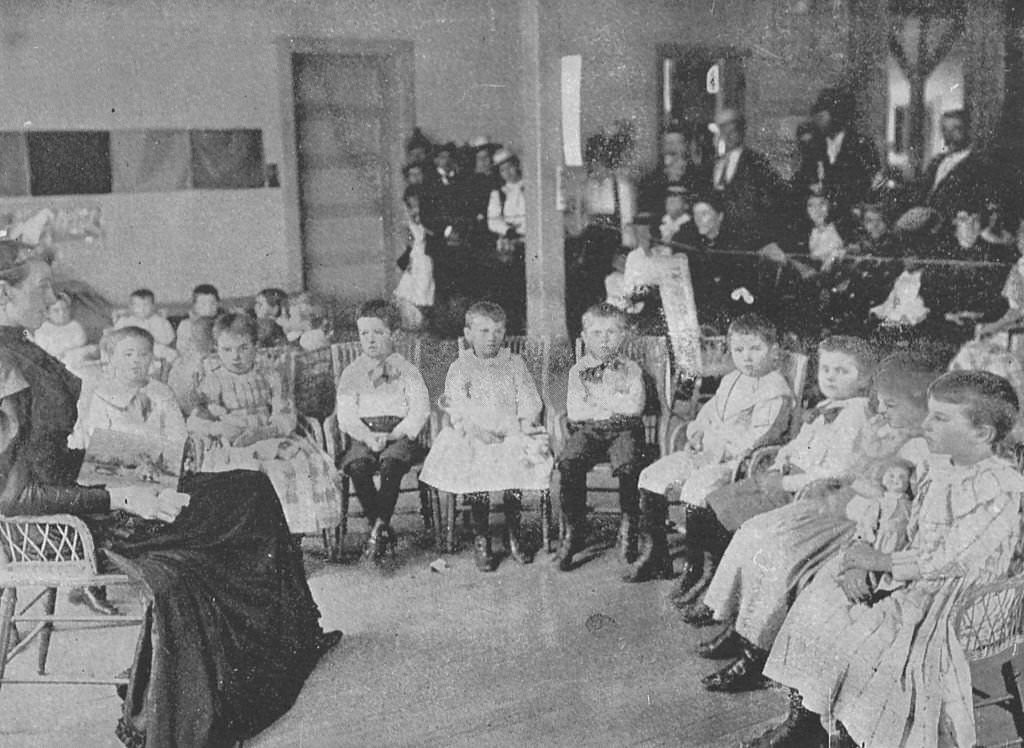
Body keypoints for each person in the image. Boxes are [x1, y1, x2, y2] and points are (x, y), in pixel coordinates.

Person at [0, 243, 338, 747]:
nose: (56, 295)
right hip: (77, 520)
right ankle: (259, 665)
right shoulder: (4, 362)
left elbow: (55, 450)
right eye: (42, 287)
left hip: (92, 482)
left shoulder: (23, 344)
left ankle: (293, 637)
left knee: (249, 484)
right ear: (4, 291)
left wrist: (132, 461)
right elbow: (15, 495)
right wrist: (121, 497)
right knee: (239, 507)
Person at [753, 371, 1024, 748]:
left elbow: (950, 560)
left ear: (982, 434)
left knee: (865, 641)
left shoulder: (999, 486)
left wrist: (879, 562)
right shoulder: (939, 467)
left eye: (940, 418)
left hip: (966, 599)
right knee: (818, 601)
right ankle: (807, 719)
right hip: (914, 572)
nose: (926, 424)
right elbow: (911, 532)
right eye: (929, 414)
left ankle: (851, 732)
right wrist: (860, 562)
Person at [687, 354, 936, 693]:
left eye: (890, 405)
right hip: (839, 503)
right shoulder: (885, 429)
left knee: (783, 556)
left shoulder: (920, 449)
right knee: (755, 531)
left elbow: (899, 512)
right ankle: (740, 625)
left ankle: (756, 652)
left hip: (863, 525)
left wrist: (855, 496)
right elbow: (853, 470)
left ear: (917, 405)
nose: (881, 412)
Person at [675, 335, 877, 608]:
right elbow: (803, 443)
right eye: (826, 369)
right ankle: (708, 576)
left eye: (842, 371)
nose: (831, 377)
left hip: (806, 491)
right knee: (712, 502)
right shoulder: (826, 407)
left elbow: (840, 470)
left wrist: (788, 481)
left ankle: (725, 592)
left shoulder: (855, 414)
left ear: (864, 379)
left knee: (726, 515)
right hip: (783, 474)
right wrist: (786, 452)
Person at [637, 314, 794, 579]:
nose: (747, 357)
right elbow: (709, 413)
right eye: (739, 350)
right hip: (707, 452)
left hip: (738, 464)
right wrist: (697, 432)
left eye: (756, 349)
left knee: (696, 488)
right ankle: (656, 555)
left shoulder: (774, 391)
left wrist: (718, 447)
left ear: (774, 351)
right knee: (652, 476)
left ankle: (698, 567)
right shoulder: (731, 380)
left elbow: (761, 437)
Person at [420, 301, 552, 571]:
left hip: (510, 431)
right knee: (474, 464)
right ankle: (482, 536)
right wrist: (475, 430)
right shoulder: (460, 367)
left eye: (498, 331)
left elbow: (529, 401)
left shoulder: (514, 364)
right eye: (483, 331)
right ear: (468, 334)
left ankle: (513, 531)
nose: (491, 338)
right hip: (474, 433)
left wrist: (522, 424)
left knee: (517, 459)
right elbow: (454, 406)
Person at [187, 313, 343, 537]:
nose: (236, 357)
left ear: (256, 346)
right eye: (227, 350)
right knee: (239, 474)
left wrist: (262, 432)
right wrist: (218, 428)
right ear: (217, 348)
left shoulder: (270, 373)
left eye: (243, 348)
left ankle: (289, 534)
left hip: (270, 435)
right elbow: (196, 419)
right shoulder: (213, 379)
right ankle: (244, 537)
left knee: (295, 468)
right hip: (231, 441)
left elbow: (286, 414)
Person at [555, 303, 647, 574]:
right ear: (584, 337)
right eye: (597, 333)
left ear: (623, 336)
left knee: (628, 463)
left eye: (611, 332)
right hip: (590, 430)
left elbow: (635, 408)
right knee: (569, 461)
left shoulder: (631, 369)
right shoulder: (579, 371)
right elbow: (576, 410)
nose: (604, 339)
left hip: (625, 428)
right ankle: (575, 528)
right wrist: (614, 400)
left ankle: (629, 524)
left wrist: (598, 401)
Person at [335, 300, 430, 561]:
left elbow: (419, 410)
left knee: (391, 463)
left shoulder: (408, 370)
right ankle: (379, 526)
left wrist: (394, 435)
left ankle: (378, 527)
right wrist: (366, 436)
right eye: (364, 333)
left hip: (399, 434)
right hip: (363, 433)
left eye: (378, 332)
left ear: (395, 334)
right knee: (357, 465)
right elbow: (346, 415)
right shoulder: (352, 373)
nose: (370, 340)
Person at [71, 327, 187, 450]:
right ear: (112, 358)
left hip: (157, 457)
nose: (136, 360)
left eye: (143, 354)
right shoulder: (103, 393)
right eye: (128, 354)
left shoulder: (162, 392)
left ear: (152, 357)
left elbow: (178, 433)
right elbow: (97, 434)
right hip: (115, 457)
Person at [709, 108, 786, 250]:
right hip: (723, 243)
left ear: (741, 131)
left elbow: (772, 200)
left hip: (750, 242)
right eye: (723, 131)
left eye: (732, 131)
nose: (728, 136)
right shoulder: (717, 165)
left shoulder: (756, 162)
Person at [485, 149, 528, 333]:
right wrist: (507, 230)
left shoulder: (530, 187)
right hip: (510, 246)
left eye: (510, 168)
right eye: (503, 170)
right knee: (509, 290)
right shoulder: (499, 194)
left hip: (529, 243)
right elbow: (493, 219)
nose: (508, 173)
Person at [394, 186, 436, 331]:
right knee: (411, 290)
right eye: (411, 204)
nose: (415, 207)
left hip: (426, 257)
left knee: (424, 288)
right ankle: (414, 323)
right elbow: (410, 239)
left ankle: (424, 320)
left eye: (417, 202)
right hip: (417, 255)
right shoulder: (410, 221)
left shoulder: (427, 217)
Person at [114, 288, 177, 366]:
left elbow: (169, 340)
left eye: (146, 305)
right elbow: (115, 339)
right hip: (132, 351)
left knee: (172, 354)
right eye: (137, 305)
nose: (142, 309)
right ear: (131, 307)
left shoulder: (160, 321)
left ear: (153, 306)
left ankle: (164, 373)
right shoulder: (125, 321)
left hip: (154, 351)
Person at [32, 290, 92, 365]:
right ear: (47, 313)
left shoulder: (76, 326)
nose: (62, 314)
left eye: (65, 309)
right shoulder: (42, 331)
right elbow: (45, 353)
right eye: (56, 311)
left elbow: (81, 344)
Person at [174, 283, 221, 360]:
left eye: (213, 303)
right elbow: (182, 350)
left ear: (218, 304)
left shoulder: (221, 323)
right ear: (194, 306)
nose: (208, 308)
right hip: (194, 360)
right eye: (203, 304)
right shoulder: (186, 325)